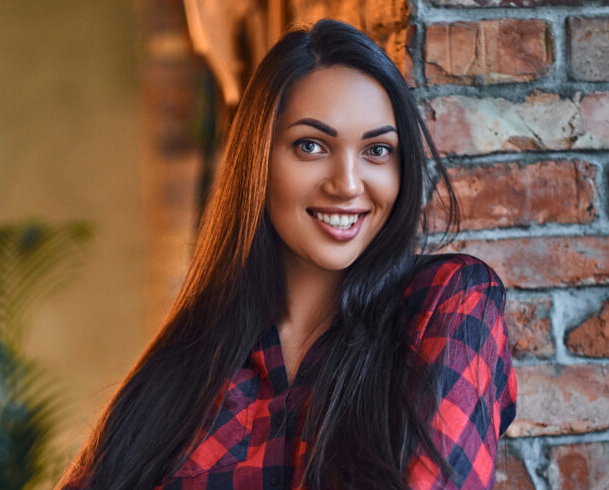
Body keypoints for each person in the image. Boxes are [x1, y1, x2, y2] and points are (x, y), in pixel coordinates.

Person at [58, 19, 516, 490]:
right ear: (259, 160)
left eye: (377, 150)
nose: (348, 184)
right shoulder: (189, 365)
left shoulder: (449, 305)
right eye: (312, 145)